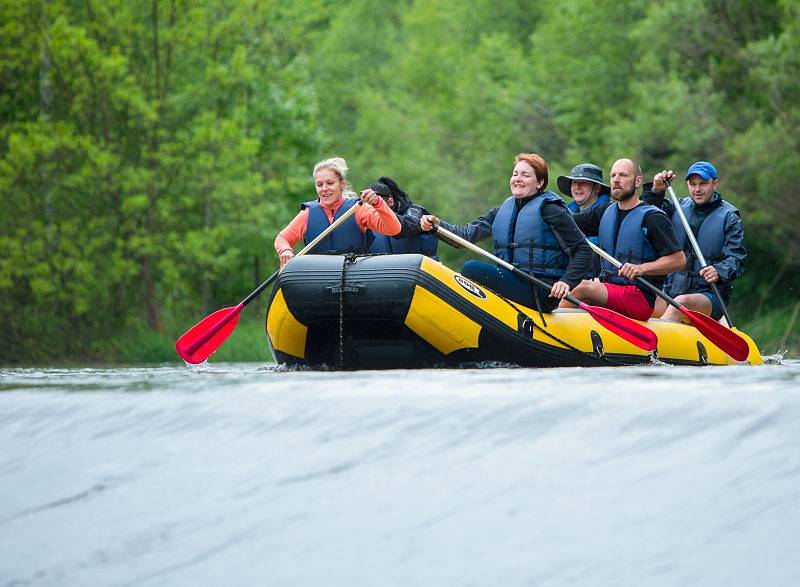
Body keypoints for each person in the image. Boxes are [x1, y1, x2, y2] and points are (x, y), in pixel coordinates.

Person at [419, 153, 592, 312]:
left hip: (540, 290)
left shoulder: (551, 210)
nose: (518, 179)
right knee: (471, 270)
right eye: (515, 174)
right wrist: (437, 226)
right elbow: (464, 236)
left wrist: (566, 282)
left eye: (525, 175)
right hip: (512, 280)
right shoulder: (502, 211)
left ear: (539, 183)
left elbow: (583, 250)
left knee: (471, 268)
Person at [560, 158, 686, 320]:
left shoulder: (653, 217)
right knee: (578, 290)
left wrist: (642, 268)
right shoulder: (604, 212)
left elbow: (679, 260)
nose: (616, 180)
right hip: (609, 288)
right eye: (613, 176)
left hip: (638, 296)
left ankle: (547, 329)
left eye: (623, 175)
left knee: (581, 288)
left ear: (637, 181)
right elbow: (567, 224)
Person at [644, 161, 746, 322]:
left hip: (709, 295)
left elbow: (737, 258)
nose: (697, 189)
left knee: (681, 303)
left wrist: (719, 270)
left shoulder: (729, 217)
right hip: (672, 289)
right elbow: (647, 216)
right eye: (692, 184)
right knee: (643, 300)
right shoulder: (676, 207)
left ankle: (655, 345)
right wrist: (656, 191)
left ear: (715, 183)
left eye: (703, 184)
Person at [274, 157, 401, 268]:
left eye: (330, 183)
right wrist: (285, 250)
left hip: (355, 278)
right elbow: (282, 238)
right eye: (319, 184)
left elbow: (394, 229)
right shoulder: (307, 214)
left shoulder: (359, 209)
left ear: (342, 184)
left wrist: (378, 203)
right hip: (318, 279)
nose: (324, 189)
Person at [557, 162, 611, 277]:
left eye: (583, 183)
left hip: (599, 282)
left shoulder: (609, 213)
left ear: (597, 188)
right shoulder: (566, 212)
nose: (577, 187)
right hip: (570, 279)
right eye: (574, 182)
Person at [366, 176, 439, 259]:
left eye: (376, 202)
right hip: (385, 269)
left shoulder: (414, 211)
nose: (373, 206)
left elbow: (406, 227)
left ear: (390, 201)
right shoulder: (368, 218)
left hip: (421, 267)